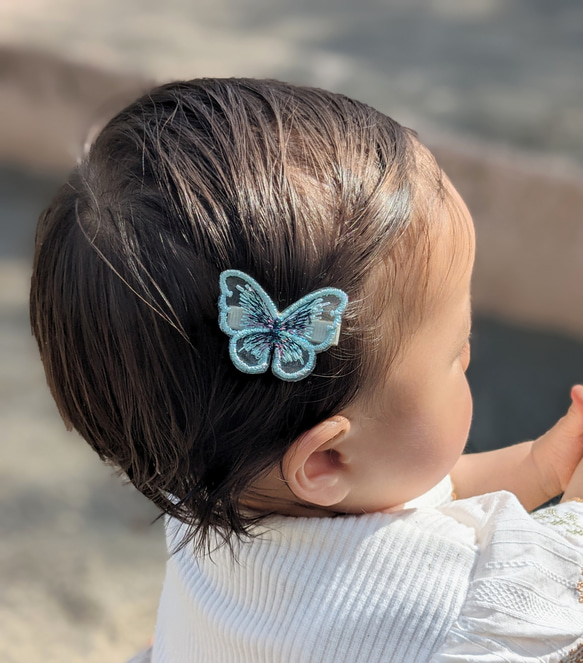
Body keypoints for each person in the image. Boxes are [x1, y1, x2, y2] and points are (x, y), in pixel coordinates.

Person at [30, 78, 583, 662]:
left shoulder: (221, 482)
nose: (469, 357)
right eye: (455, 353)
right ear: (324, 458)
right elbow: (555, 603)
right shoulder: (444, 611)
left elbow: (410, 495)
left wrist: (537, 468)